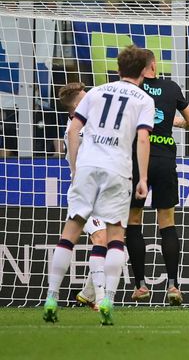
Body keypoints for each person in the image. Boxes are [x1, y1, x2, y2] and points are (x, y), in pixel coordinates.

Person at [43, 45, 154, 326]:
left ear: (117, 69)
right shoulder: (143, 99)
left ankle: (51, 297)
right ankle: (107, 299)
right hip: (117, 169)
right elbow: (142, 139)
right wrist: (142, 178)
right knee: (116, 234)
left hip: (88, 167)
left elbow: (72, 130)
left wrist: (75, 168)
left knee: (71, 231)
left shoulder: (95, 92)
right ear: (143, 71)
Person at [126, 50, 189, 306]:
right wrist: (174, 123)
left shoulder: (133, 90)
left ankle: (141, 286)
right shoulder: (171, 87)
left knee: (133, 220)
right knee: (166, 221)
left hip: (137, 158)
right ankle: (173, 286)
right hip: (165, 159)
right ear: (154, 65)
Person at [57, 82, 108, 311]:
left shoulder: (90, 125)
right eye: (86, 97)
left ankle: (88, 294)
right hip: (85, 193)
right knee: (100, 239)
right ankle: (99, 299)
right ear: (77, 105)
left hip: (102, 190)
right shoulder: (74, 130)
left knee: (115, 246)